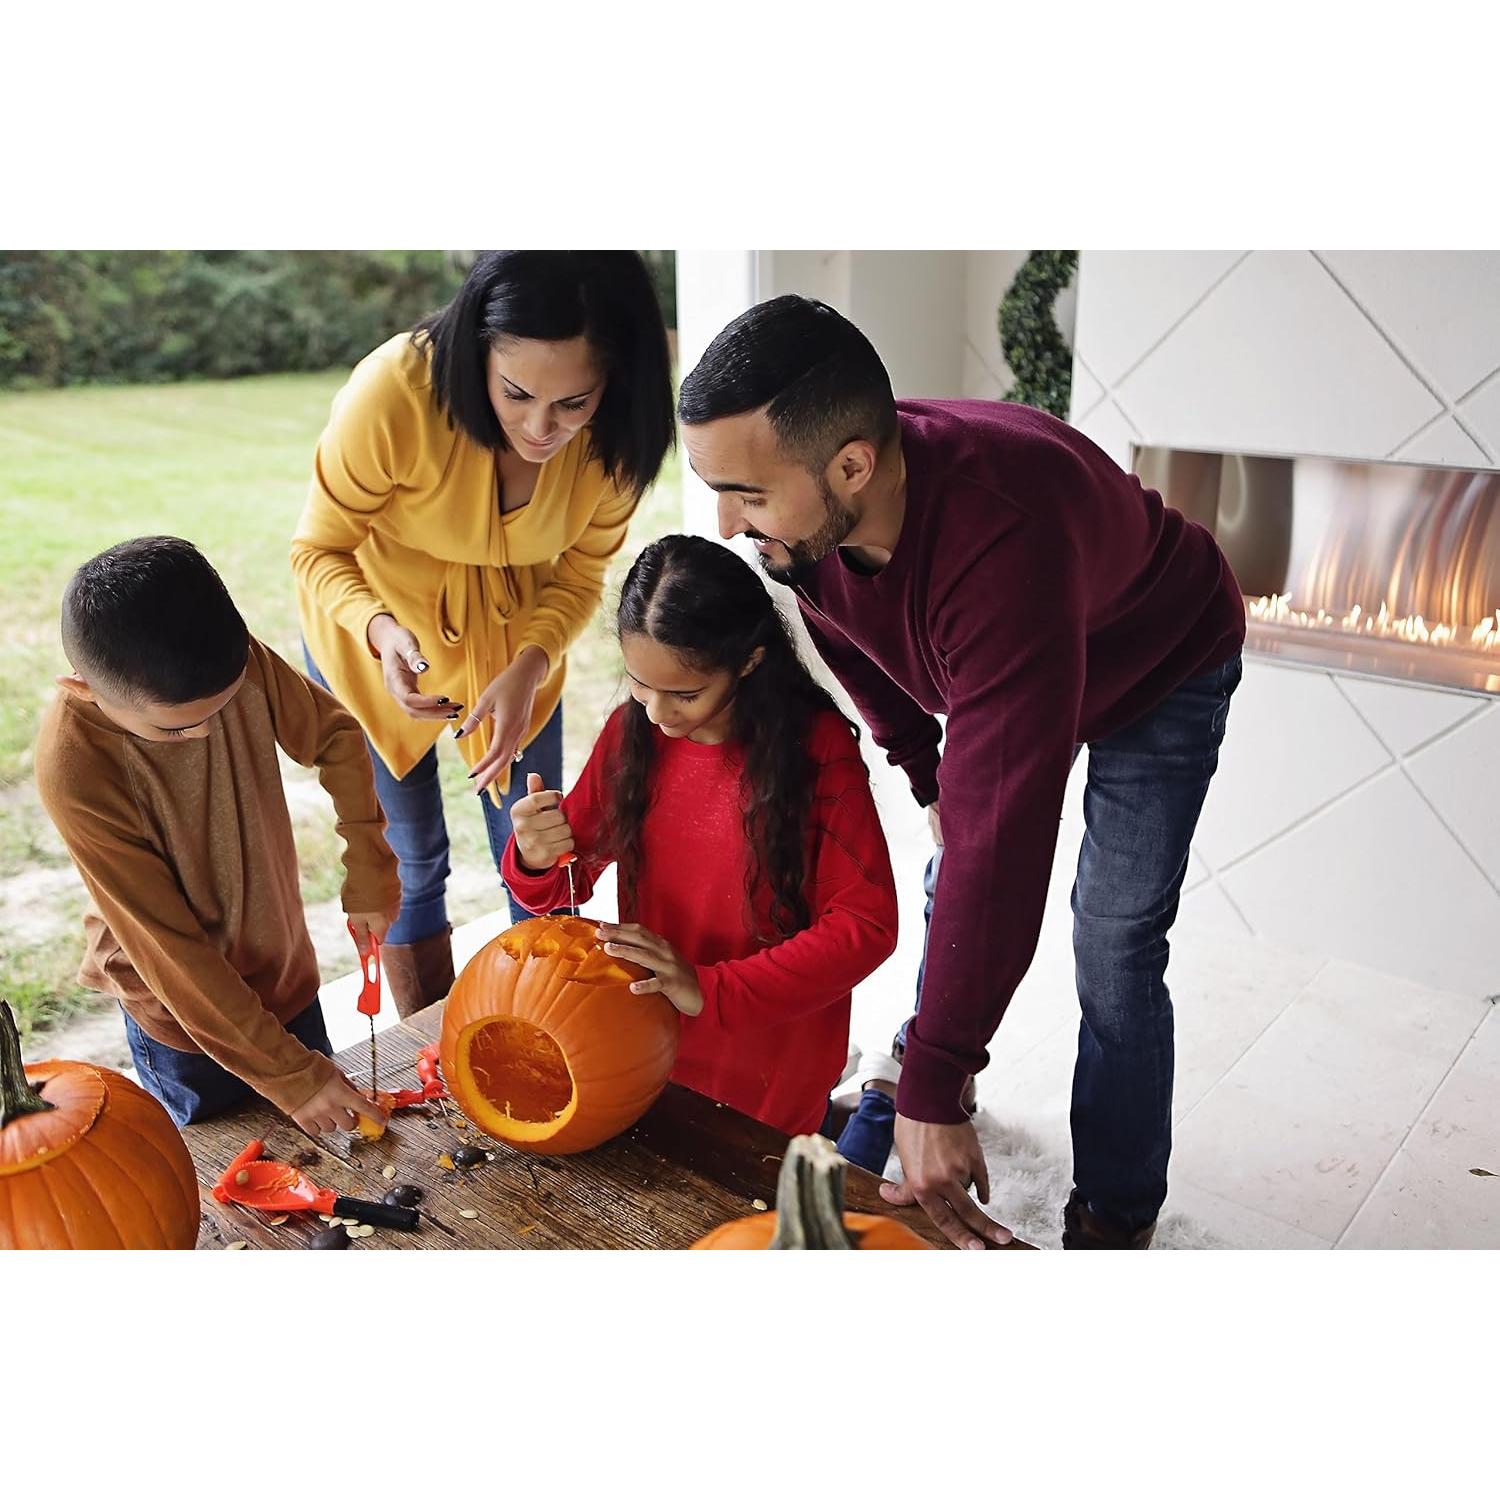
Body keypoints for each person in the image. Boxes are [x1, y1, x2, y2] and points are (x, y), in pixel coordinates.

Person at [677, 295, 1247, 1250]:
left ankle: (1115, 1205)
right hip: (1038, 653)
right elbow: (851, 640)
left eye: (746, 493)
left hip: (1162, 662)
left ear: (853, 464)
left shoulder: (1000, 550)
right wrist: (927, 772)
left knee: (1112, 942)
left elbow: (1004, 850)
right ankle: (931, 1072)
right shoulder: (804, 525)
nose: (728, 524)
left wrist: (935, 1084)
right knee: (955, 863)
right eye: (713, 487)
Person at [292, 251, 675, 1017]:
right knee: (410, 856)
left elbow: (579, 576)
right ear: (478, 351)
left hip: (518, 650)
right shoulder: (393, 393)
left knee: (535, 849)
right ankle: (430, 1041)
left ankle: (547, 1029)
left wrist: (531, 664)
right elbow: (318, 550)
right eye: (517, 393)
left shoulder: (618, 440)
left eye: (574, 403)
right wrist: (381, 632)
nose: (542, 428)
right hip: (377, 633)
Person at [501, 534, 901, 1169]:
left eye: (684, 694)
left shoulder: (815, 750)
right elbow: (559, 885)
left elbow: (867, 926)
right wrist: (534, 855)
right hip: (654, 1043)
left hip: (775, 1055)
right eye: (640, 684)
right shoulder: (633, 733)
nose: (657, 712)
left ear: (748, 662)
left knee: (788, 1185)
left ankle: (881, 1096)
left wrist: (711, 989)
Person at [34, 536, 401, 1134]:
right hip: (183, 1020)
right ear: (85, 690)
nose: (206, 734)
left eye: (223, 709)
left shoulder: (234, 663)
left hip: (286, 978)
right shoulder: (74, 769)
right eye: (177, 729)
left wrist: (370, 869)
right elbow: (170, 951)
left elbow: (335, 734)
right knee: (229, 1180)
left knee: (339, 1155)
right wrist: (290, 1075)